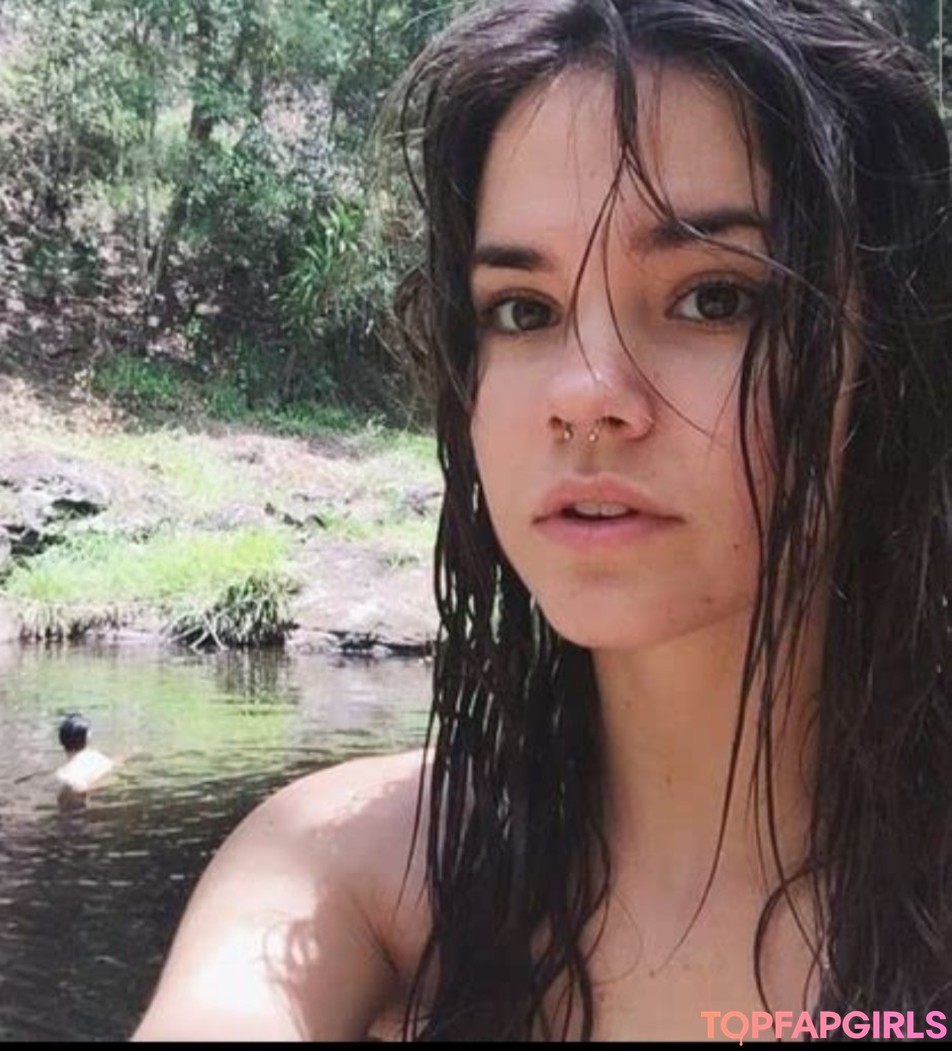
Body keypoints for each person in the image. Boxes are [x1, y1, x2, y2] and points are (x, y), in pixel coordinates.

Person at [132, 0, 952, 1040]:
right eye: (523, 310)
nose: (585, 392)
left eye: (714, 297)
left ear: (894, 352)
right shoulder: (350, 881)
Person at [55, 712, 116, 798]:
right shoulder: (99, 758)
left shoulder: (63, 774)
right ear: (87, 738)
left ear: (61, 740)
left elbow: (78, 787)